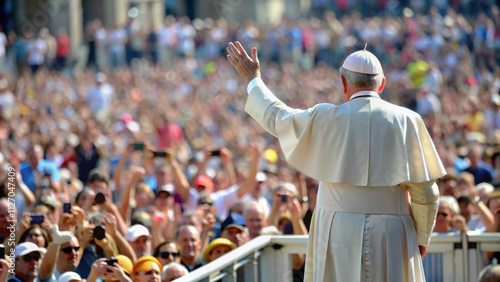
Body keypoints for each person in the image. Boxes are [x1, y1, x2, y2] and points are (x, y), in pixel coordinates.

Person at [227, 41, 446, 281]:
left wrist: (253, 79)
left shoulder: (324, 117)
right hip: (392, 234)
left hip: (336, 231)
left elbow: (277, 117)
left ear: (343, 83)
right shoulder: (409, 121)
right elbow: (427, 194)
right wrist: (421, 238)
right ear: (381, 84)